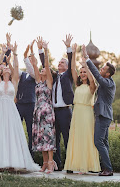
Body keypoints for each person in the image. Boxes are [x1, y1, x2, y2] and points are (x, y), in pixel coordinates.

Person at [0, 40, 40, 172]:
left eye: (8, 66)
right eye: (5, 67)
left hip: (11, 110)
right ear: (1, 72)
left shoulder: (14, 81)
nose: (6, 67)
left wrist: (15, 53)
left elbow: (17, 67)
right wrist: (2, 53)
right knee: (0, 133)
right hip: (0, 110)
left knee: (12, 134)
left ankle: (14, 161)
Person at [64, 43, 101, 174]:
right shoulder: (78, 85)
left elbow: (92, 80)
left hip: (87, 114)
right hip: (77, 113)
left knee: (86, 138)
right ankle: (77, 165)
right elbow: (72, 68)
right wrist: (73, 53)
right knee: (76, 138)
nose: (83, 73)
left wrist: (85, 64)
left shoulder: (92, 87)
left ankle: (87, 166)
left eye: (84, 72)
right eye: (81, 72)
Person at [38, 34, 74, 171]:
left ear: (67, 66)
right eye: (59, 62)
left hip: (65, 110)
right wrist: (41, 50)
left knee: (67, 138)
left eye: (62, 62)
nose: (59, 63)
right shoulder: (53, 76)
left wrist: (68, 48)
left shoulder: (68, 75)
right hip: (53, 112)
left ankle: (70, 164)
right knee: (54, 140)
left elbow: (71, 62)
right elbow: (45, 65)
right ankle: (57, 164)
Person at [82, 44, 116, 176]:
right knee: (104, 143)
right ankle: (107, 168)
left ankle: (108, 169)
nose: (100, 69)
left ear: (107, 74)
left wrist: (87, 58)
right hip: (104, 115)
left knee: (98, 141)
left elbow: (96, 75)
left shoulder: (108, 83)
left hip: (103, 116)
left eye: (103, 69)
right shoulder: (108, 82)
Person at [31, 37, 57, 173]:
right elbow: (35, 65)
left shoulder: (49, 82)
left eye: (44, 69)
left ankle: (51, 163)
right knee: (41, 137)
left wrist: (46, 51)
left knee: (48, 136)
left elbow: (46, 65)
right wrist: (33, 50)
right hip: (38, 111)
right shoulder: (38, 82)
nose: (42, 70)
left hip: (47, 111)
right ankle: (45, 163)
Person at [15, 39, 37, 157]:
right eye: (28, 59)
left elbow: (32, 70)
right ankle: (17, 153)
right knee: (17, 128)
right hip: (19, 104)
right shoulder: (22, 74)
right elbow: (15, 68)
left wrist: (27, 56)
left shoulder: (35, 75)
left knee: (30, 131)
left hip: (30, 105)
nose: (29, 61)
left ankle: (30, 155)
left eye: (31, 59)